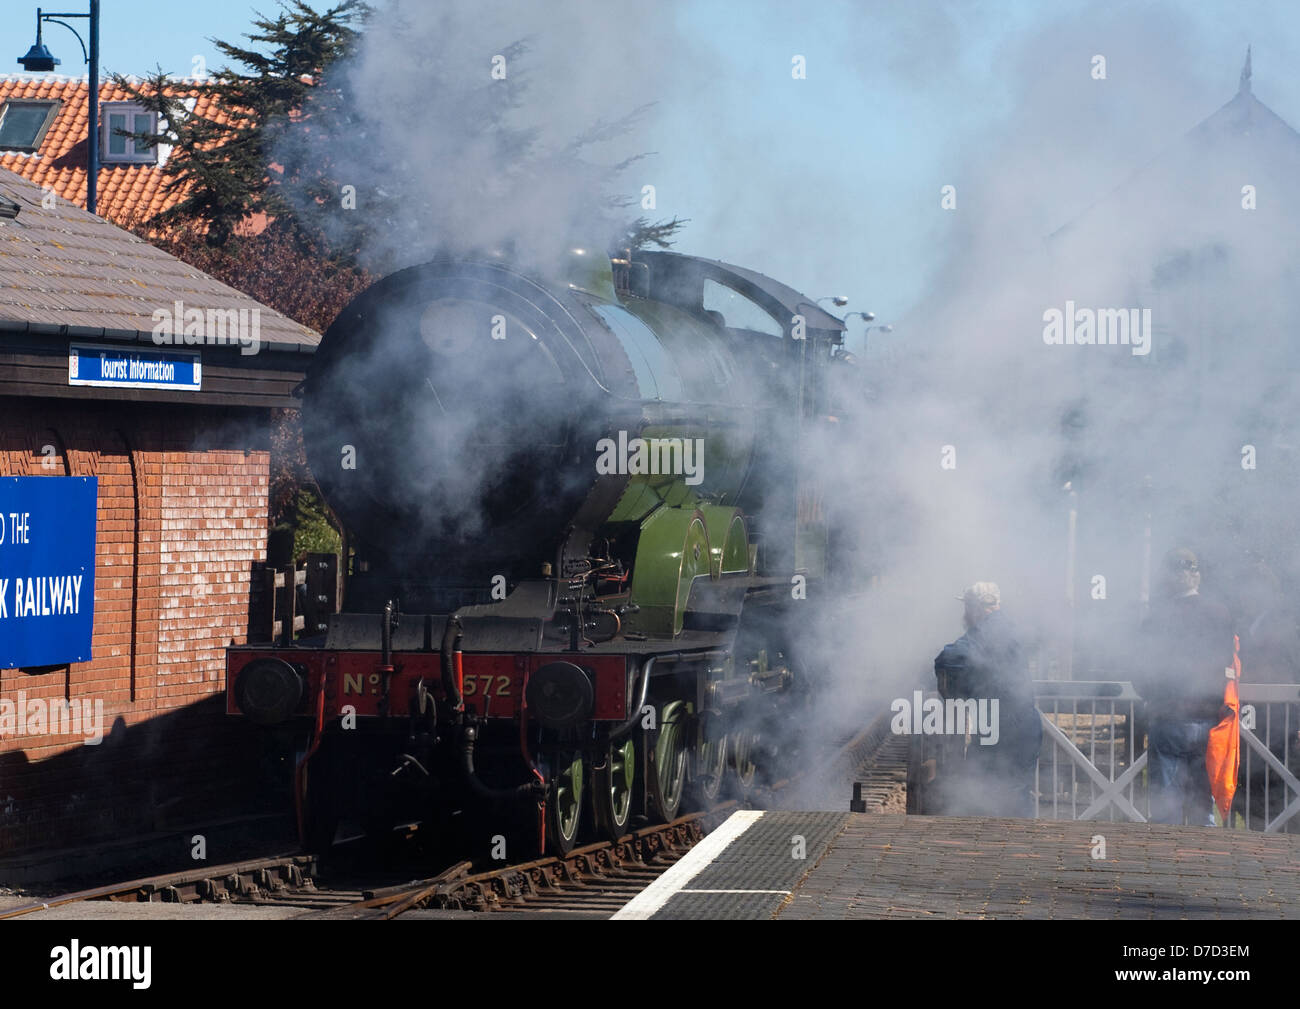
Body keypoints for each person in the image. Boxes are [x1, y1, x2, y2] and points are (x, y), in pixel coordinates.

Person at [1136, 548, 1236, 826]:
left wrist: (1148, 694)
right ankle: (1204, 861)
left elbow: (1142, 665)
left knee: (1165, 808)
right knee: (1202, 807)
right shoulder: (1219, 613)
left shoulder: (1158, 616)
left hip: (1168, 715)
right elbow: (1228, 662)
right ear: (1197, 576)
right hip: (1207, 717)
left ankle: (1163, 861)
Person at [933, 582, 1043, 817]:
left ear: (974, 608)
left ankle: (993, 848)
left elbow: (948, 658)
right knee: (1016, 796)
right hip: (1025, 725)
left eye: (966, 608)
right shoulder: (1010, 626)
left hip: (1000, 728)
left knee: (987, 799)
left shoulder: (986, 630)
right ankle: (1019, 847)